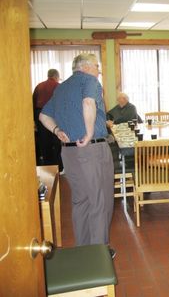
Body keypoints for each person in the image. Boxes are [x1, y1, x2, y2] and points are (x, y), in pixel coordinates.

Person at [39, 54, 115, 257]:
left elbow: (43, 115)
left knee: (80, 201)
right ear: (86, 67)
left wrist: (56, 131)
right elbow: (88, 103)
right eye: (97, 66)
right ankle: (99, 254)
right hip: (91, 149)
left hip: (69, 152)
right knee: (100, 201)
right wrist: (89, 133)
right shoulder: (90, 81)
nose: (98, 70)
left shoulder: (61, 88)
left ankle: (84, 251)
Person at [33, 69, 62, 168]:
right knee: (57, 141)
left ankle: (47, 167)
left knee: (44, 142)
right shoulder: (58, 86)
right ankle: (59, 166)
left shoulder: (39, 86)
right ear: (56, 77)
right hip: (54, 114)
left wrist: (34, 121)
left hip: (39, 114)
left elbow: (33, 103)